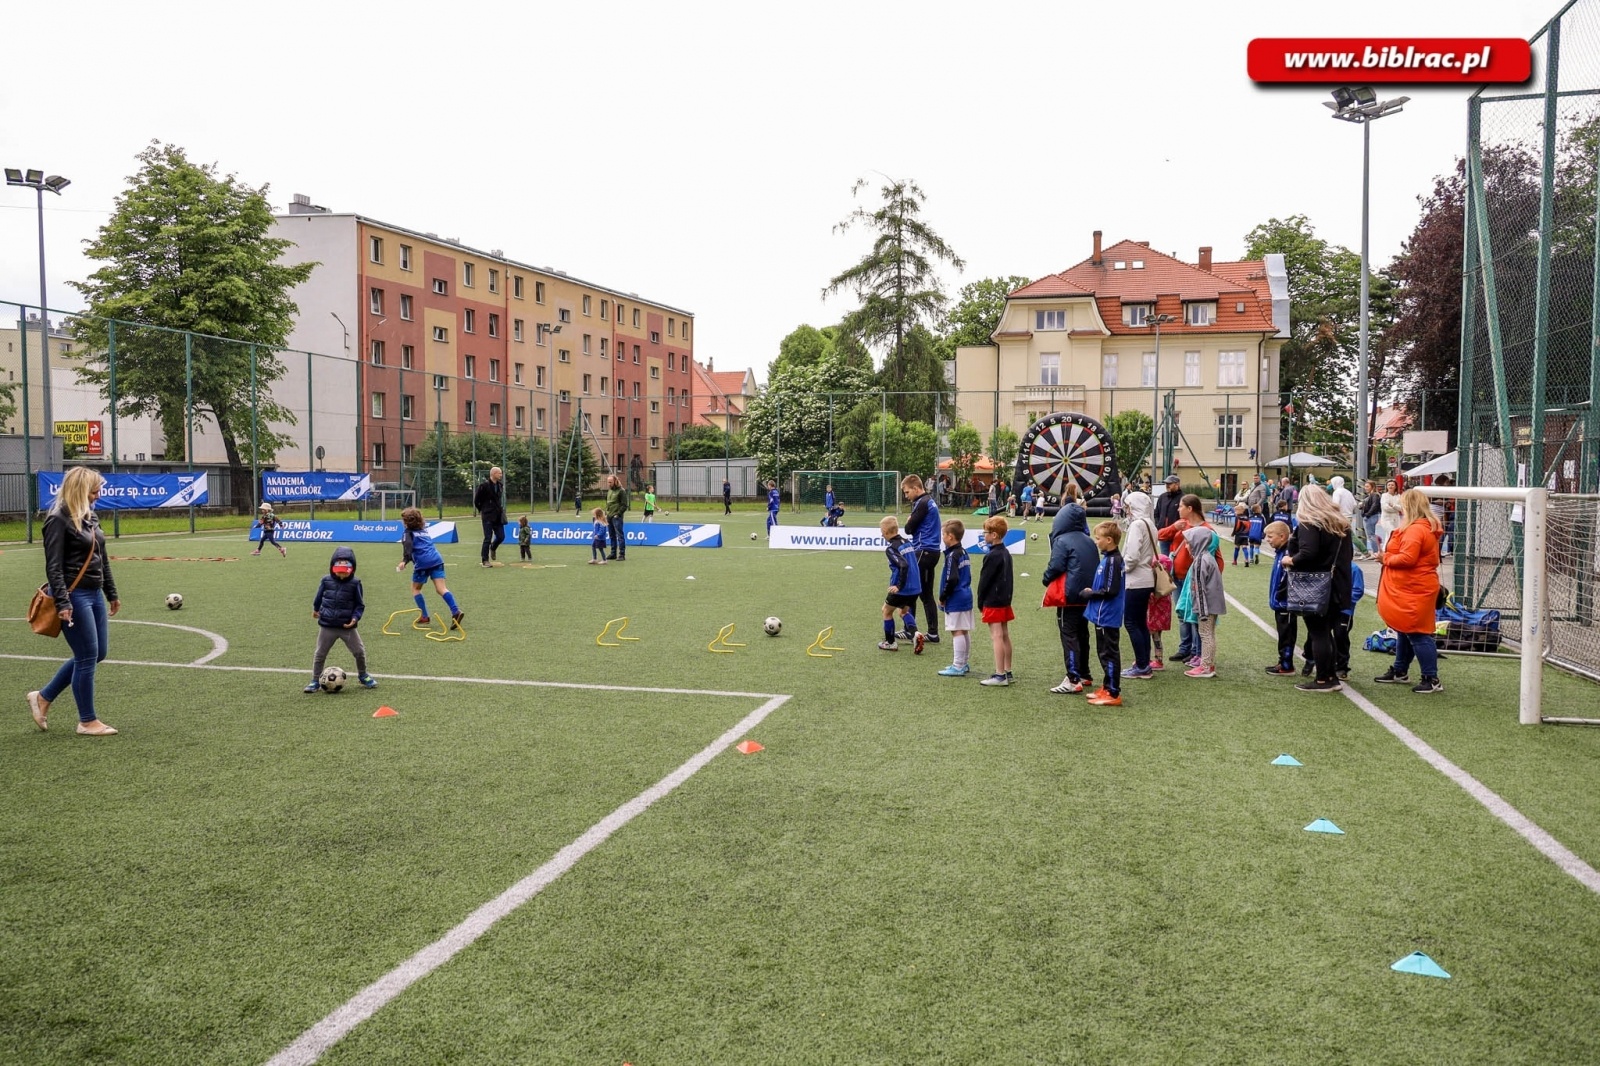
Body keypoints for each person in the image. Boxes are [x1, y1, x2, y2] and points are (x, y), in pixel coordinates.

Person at [27, 466, 120, 736]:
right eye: (94, 491)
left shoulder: (91, 516)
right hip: (73, 594)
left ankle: (42, 697)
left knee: (97, 653)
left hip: (93, 592)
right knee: (87, 656)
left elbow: (101, 557)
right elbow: (53, 566)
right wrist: (63, 602)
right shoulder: (57, 519)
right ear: (80, 491)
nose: (98, 495)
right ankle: (87, 721)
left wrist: (111, 593)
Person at [1281, 485, 1354, 693]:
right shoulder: (1340, 523)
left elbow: (1308, 553)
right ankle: (1330, 674)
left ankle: (1323, 678)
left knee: (1318, 632)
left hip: (1316, 584)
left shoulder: (1309, 522)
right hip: (1338, 582)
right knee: (1325, 631)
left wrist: (1290, 559)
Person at [1375, 488, 1445, 693]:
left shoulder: (1416, 529)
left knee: (1417, 633)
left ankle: (1431, 678)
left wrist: (1384, 558)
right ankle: (1400, 670)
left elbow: (1407, 558)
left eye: (1403, 503)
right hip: (1412, 586)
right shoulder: (1422, 527)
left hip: (1414, 588)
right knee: (1405, 630)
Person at [1159, 493, 1223, 667]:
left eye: (1180, 506)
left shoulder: (1207, 530)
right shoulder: (1181, 525)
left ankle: (1198, 652)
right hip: (1178, 577)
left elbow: (1217, 559)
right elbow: (1161, 536)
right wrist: (1174, 527)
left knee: (1195, 617)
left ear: (1190, 508)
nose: (1177, 509)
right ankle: (1185, 648)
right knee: (1183, 614)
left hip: (1195, 582)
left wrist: (1211, 582)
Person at [1043, 501, 1097, 695]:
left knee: (1069, 634)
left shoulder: (1062, 540)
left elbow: (1056, 565)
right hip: (1088, 593)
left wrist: (1046, 579)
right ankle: (1084, 673)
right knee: (1083, 633)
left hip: (1069, 594)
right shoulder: (1088, 540)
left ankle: (1073, 678)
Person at [306, 546, 377, 693]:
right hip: (327, 625)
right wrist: (315, 609)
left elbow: (359, 605)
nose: (341, 576)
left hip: (347, 627)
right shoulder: (326, 580)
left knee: (359, 651)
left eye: (344, 573)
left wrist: (355, 618)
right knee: (320, 654)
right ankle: (315, 680)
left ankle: (363, 675)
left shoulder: (355, 583)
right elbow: (318, 597)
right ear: (333, 568)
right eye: (338, 572)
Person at [1081, 521, 1127, 706]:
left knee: (1109, 652)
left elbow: (1111, 590)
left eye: (1098, 538)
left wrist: (1089, 593)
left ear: (1109, 540)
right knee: (1103, 651)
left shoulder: (1114, 561)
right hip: (1101, 613)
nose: (1096, 541)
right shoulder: (1108, 558)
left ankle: (1113, 692)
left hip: (1107, 614)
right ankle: (1107, 686)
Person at [397, 507, 464, 629]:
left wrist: (404, 561)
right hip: (437, 560)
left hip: (423, 563)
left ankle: (424, 616)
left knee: (415, 588)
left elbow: (408, 548)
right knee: (441, 588)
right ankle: (456, 611)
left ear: (406, 522)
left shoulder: (407, 533)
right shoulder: (423, 531)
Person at [1176, 517, 1227, 679]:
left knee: (1205, 634)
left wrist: (1201, 610)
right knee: (1209, 634)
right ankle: (1208, 663)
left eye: (1189, 543)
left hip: (1206, 606)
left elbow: (1199, 588)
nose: (1186, 546)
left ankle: (1205, 667)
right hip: (1211, 604)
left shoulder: (1200, 561)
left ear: (1199, 542)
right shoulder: (1208, 558)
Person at [1119, 490, 1158, 680]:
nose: (1127, 510)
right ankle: (1144, 662)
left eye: (1128, 506)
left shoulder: (1137, 525)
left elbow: (1132, 556)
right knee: (1141, 622)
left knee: (1132, 622)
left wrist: (1121, 569)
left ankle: (1142, 665)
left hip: (1135, 579)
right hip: (1147, 578)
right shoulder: (1150, 524)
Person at [902, 473, 942, 648]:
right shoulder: (928, 501)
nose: (906, 496)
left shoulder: (922, 503)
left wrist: (909, 521)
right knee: (925, 594)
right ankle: (931, 632)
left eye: (907, 492)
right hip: (930, 551)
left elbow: (909, 529)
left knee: (912, 590)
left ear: (916, 488)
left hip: (923, 551)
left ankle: (911, 630)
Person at [976, 515, 1014, 686]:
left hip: (993, 600)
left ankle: (999, 675)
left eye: (986, 532)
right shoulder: (1006, 553)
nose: (984, 535)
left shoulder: (992, 555)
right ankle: (1007, 670)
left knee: (996, 636)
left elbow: (984, 581)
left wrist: (980, 601)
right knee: (1004, 635)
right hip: (1004, 599)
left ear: (994, 535)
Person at [877, 515, 922, 651]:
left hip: (903, 587)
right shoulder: (907, 542)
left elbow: (903, 565)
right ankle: (915, 634)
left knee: (886, 611)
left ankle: (890, 643)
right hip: (916, 586)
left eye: (881, 530)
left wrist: (898, 586)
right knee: (903, 612)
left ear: (885, 532)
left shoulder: (891, 548)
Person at [936, 519, 974, 677]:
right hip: (966, 595)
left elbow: (951, 579)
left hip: (956, 597)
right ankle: (963, 663)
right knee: (963, 630)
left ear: (950, 536)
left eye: (943, 534)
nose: (942, 537)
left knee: (956, 631)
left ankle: (958, 665)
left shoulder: (952, 555)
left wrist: (943, 596)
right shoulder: (963, 552)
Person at [1263, 520, 1299, 676]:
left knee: (1287, 635)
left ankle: (1286, 665)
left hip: (1285, 604)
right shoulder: (1279, 553)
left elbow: (1288, 580)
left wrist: (1280, 597)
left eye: (1270, 536)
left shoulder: (1288, 554)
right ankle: (1283, 661)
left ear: (1282, 536)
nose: (1267, 539)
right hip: (1279, 603)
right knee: (1283, 633)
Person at [1332, 556, 1366, 680]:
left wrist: (1341, 600)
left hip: (1344, 611)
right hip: (1328, 609)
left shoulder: (1354, 569)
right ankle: (1319, 660)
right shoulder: (1329, 565)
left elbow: (1358, 590)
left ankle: (1342, 667)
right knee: (1322, 635)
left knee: (1340, 636)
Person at [475, 465, 507, 566]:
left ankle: (493, 547)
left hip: (498, 515)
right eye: (499, 473)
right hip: (487, 516)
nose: (501, 475)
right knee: (487, 538)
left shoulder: (500, 485)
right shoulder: (484, 486)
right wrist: (483, 510)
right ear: (493, 474)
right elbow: (476, 500)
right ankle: (485, 559)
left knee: (501, 536)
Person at [1153, 475, 1183, 553]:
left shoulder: (1183, 498)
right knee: (1165, 561)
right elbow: (1156, 513)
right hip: (1164, 536)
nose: (1167, 486)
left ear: (1177, 484)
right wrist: (1158, 525)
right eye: (1166, 484)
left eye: (1170, 484)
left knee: (1176, 560)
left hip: (1177, 536)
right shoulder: (1162, 497)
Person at [605, 474, 630, 561]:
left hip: (616, 517)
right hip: (609, 516)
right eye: (608, 482)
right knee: (612, 536)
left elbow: (624, 505)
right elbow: (608, 503)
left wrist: (618, 514)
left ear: (615, 481)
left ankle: (622, 554)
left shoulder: (621, 491)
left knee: (619, 536)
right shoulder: (609, 491)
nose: (609, 484)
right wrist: (606, 512)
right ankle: (613, 553)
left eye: (610, 482)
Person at [1377, 478, 1404, 553]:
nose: (1390, 486)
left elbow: (1401, 508)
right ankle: (1388, 550)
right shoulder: (1384, 495)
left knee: (1390, 535)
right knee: (1392, 533)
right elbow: (1385, 508)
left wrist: (1394, 505)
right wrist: (1396, 508)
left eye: (1392, 485)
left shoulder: (1398, 496)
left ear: (1395, 486)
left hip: (1396, 519)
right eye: (1389, 485)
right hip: (1386, 519)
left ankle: (1386, 550)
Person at [1359, 479, 1383, 559]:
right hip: (1370, 515)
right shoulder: (1372, 495)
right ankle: (1376, 551)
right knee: (1371, 535)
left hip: (1371, 516)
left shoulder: (1374, 495)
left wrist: (1367, 514)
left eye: (1367, 486)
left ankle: (1375, 552)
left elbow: (1374, 505)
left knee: (1371, 535)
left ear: (1372, 487)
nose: (1365, 488)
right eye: (1365, 486)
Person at [1231, 503, 1253, 567]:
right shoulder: (1246, 517)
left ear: (1238, 511)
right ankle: (1246, 560)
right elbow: (1249, 525)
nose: (1235, 512)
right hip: (1245, 535)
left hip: (1239, 534)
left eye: (1236, 510)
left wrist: (1233, 533)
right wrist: (1247, 533)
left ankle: (1235, 561)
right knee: (1244, 547)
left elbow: (1236, 526)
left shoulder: (1238, 517)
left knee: (1237, 547)